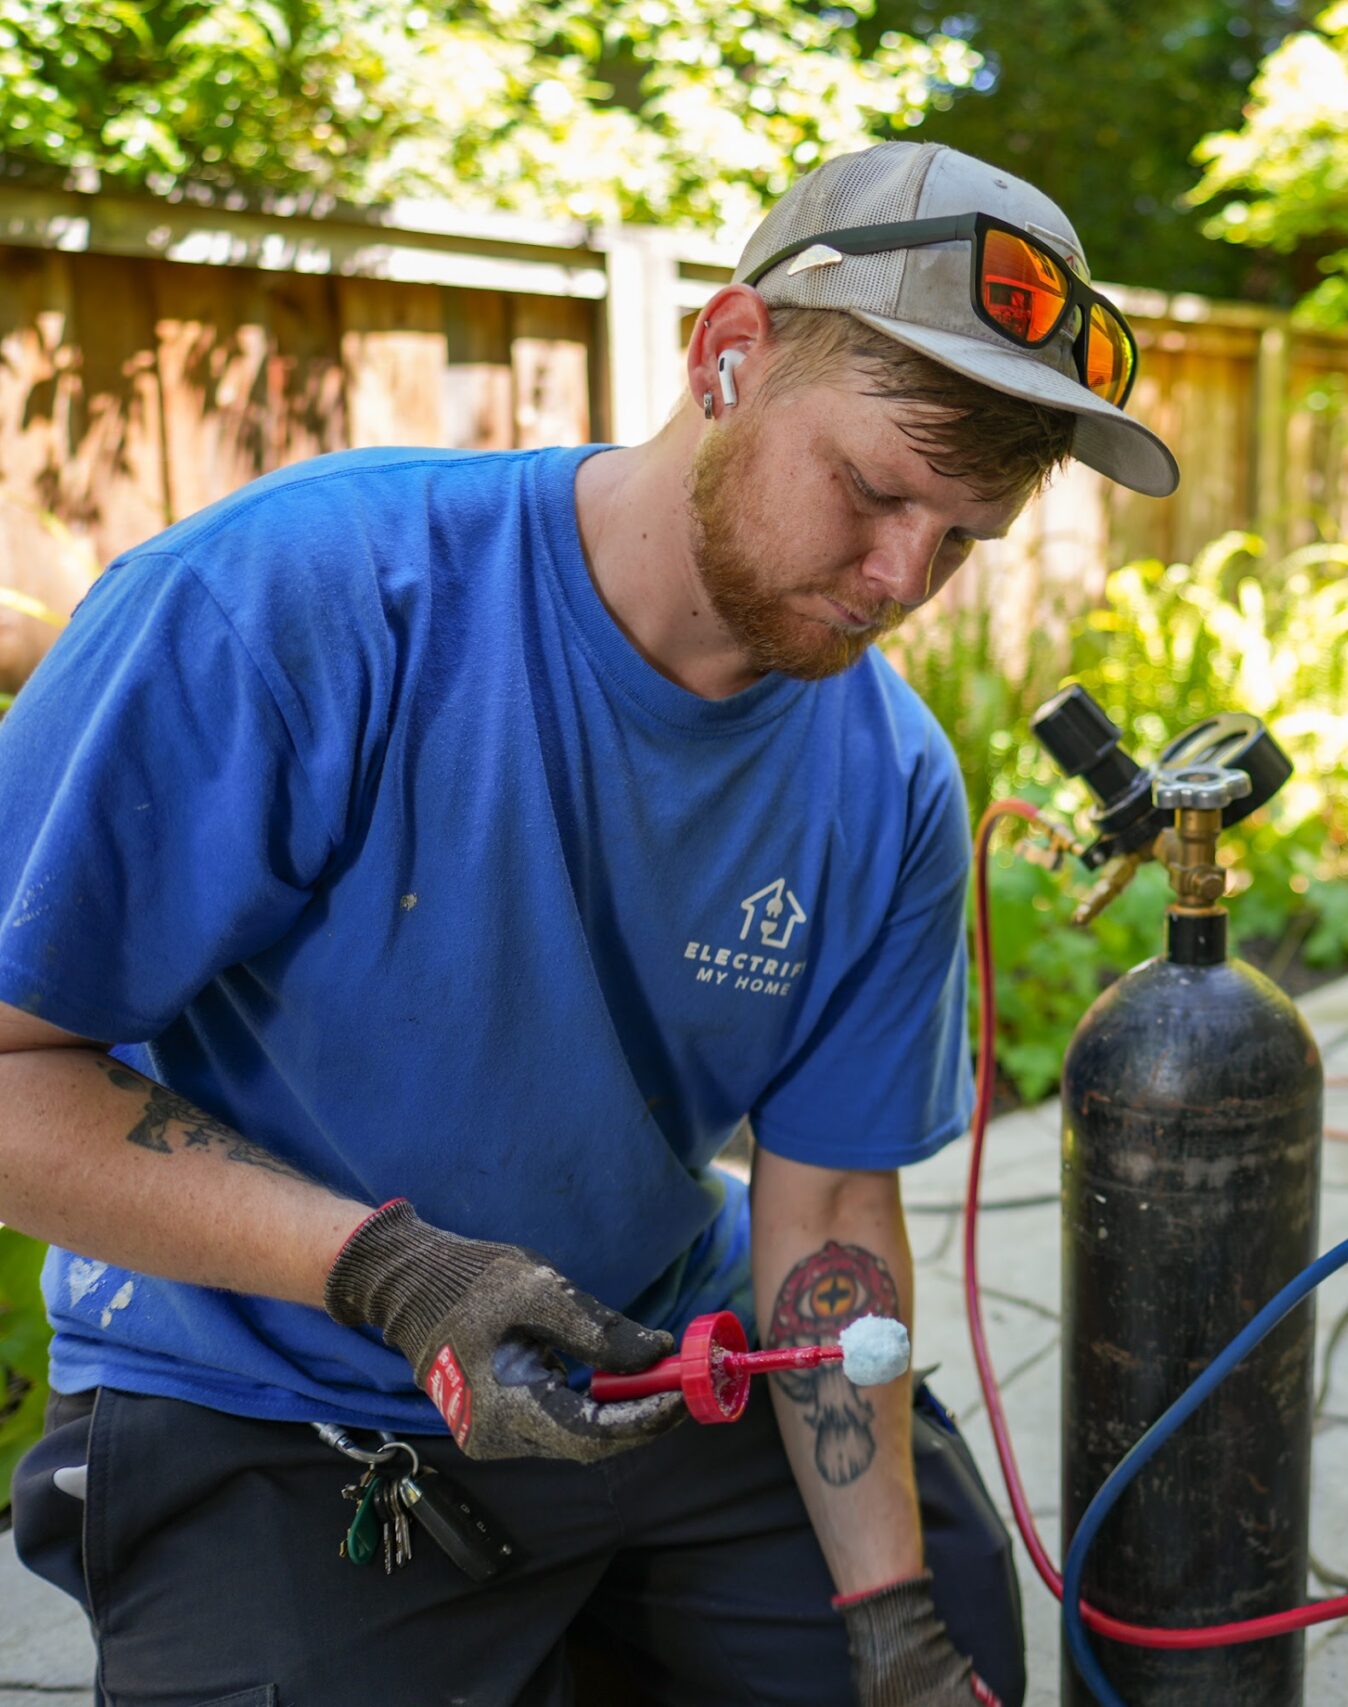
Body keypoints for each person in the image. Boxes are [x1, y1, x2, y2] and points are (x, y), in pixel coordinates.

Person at [0, 140, 1175, 1706]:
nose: (904, 577)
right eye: (878, 490)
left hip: (647, 1355)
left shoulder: (886, 780)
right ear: (726, 356)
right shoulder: (302, 604)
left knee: (948, 1645)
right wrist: (392, 1275)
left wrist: (886, 1619)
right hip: (281, 1391)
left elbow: (823, 1216)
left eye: (962, 539)